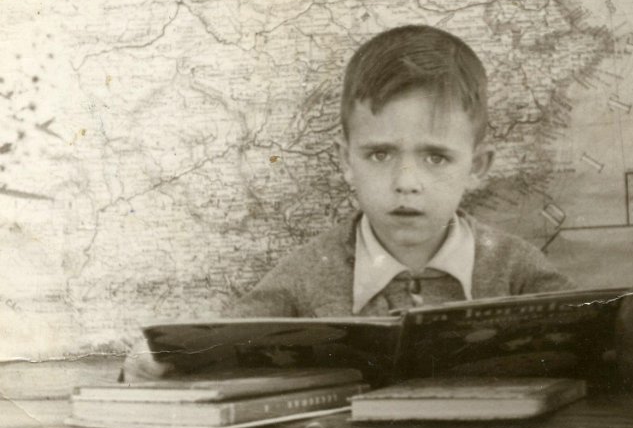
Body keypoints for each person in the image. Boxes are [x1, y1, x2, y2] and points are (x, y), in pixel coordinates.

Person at [124, 24, 570, 378]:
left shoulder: (517, 269)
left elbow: (595, 342)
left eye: (436, 157)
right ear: (345, 160)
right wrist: (157, 362)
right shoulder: (307, 273)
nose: (406, 183)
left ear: (478, 166)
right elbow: (216, 344)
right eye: (380, 154)